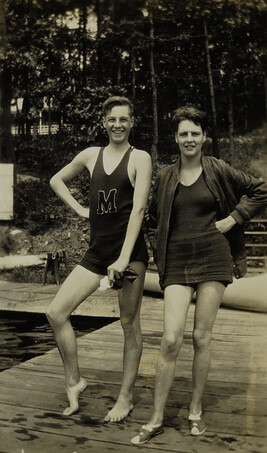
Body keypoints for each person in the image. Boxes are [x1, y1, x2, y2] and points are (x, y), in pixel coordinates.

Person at [131, 105, 267, 444]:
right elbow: (148, 218)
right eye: (183, 134)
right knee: (170, 338)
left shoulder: (217, 168)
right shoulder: (164, 175)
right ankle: (157, 417)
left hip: (214, 258)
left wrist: (234, 218)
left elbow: (261, 189)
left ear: (204, 137)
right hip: (176, 261)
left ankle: (194, 410)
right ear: (175, 139)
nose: (189, 139)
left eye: (195, 133)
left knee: (201, 337)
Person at [46, 96, 152, 422]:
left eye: (124, 119)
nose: (117, 124)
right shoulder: (92, 155)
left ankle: (125, 397)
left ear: (132, 122)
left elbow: (138, 210)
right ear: (103, 122)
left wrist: (122, 260)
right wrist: (80, 209)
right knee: (56, 312)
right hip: (97, 252)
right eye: (112, 119)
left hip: (129, 255)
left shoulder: (140, 158)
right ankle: (75, 381)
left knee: (129, 324)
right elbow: (56, 180)